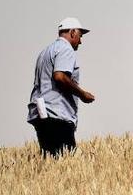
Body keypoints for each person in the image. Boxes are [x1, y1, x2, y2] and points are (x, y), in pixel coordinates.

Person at [27, 17, 96, 157]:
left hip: (40, 113)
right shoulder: (66, 49)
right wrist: (82, 94)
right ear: (72, 33)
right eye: (80, 36)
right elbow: (59, 76)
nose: (81, 41)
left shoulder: (45, 52)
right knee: (66, 159)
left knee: (50, 162)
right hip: (57, 114)